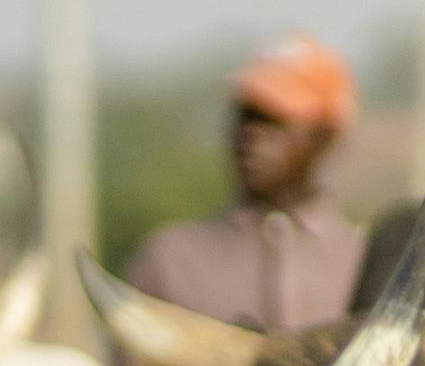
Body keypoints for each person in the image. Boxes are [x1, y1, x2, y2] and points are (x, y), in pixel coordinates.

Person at [130, 37, 371, 340]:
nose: (252, 134)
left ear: (326, 135)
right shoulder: (171, 263)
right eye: (245, 116)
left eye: (274, 118)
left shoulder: (368, 264)